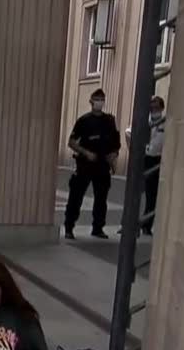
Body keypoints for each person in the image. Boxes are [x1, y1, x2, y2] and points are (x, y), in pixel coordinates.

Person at [65, 88, 121, 240]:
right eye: (97, 99)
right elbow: (72, 142)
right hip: (85, 163)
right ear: (91, 102)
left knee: (101, 198)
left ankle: (98, 228)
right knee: (76, 197)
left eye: (102, 99)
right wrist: (86, 153)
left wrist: (114, 158)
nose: (99, 102)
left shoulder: (110, 121)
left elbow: (116, 143)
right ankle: (69, 227)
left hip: (102, 164)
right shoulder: (84, 120)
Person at [124, 95, 166, 235]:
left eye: (157, 105)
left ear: (161, 107)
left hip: (156, 160)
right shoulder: (143, 121)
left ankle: (146, 225)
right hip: (143, 158)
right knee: (135, 193)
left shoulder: (165, 122)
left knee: (152, 195)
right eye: (152, 105)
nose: (154, 108)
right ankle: (129, 224)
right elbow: (128, 133)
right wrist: (133, 150)